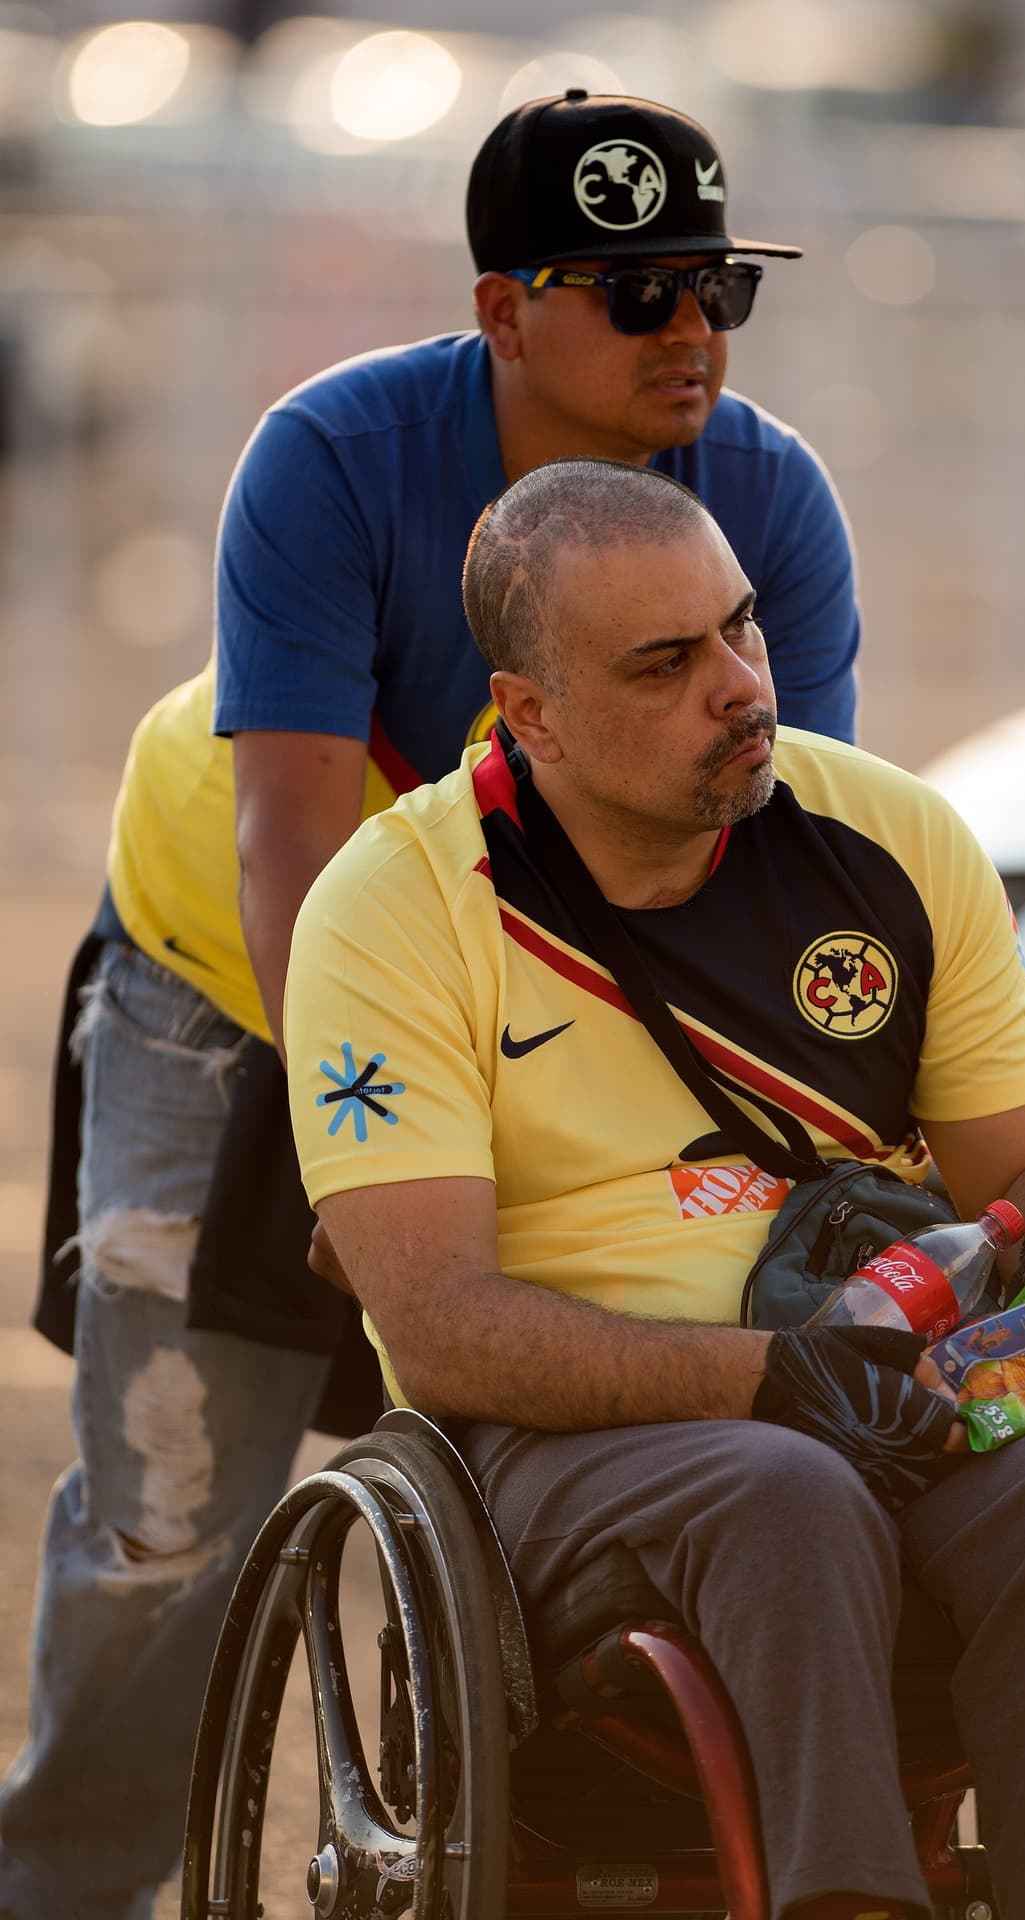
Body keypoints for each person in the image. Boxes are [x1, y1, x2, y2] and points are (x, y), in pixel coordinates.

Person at [0, 93, 862, 1920]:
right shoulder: (331, 457)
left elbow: (785, 867)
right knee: (171, 1523)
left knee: (569, 1455)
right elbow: (301, 856)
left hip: (547, 988)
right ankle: (67, 1890)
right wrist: (368, 1161)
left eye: (718, 286)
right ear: (500, 311)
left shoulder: (768, 500)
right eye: (635, 297)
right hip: (236, 978)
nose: (692, 328)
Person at [285, 459, 1025, 1920]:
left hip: (890, 1396)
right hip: (560, 1458)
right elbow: (439, 1328)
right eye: (666, 663)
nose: (742, 686)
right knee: (783, 1488)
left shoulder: (893, 837)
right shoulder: (393, 911)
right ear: (532, 714)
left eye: (741, 629)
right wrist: (777, 1382)